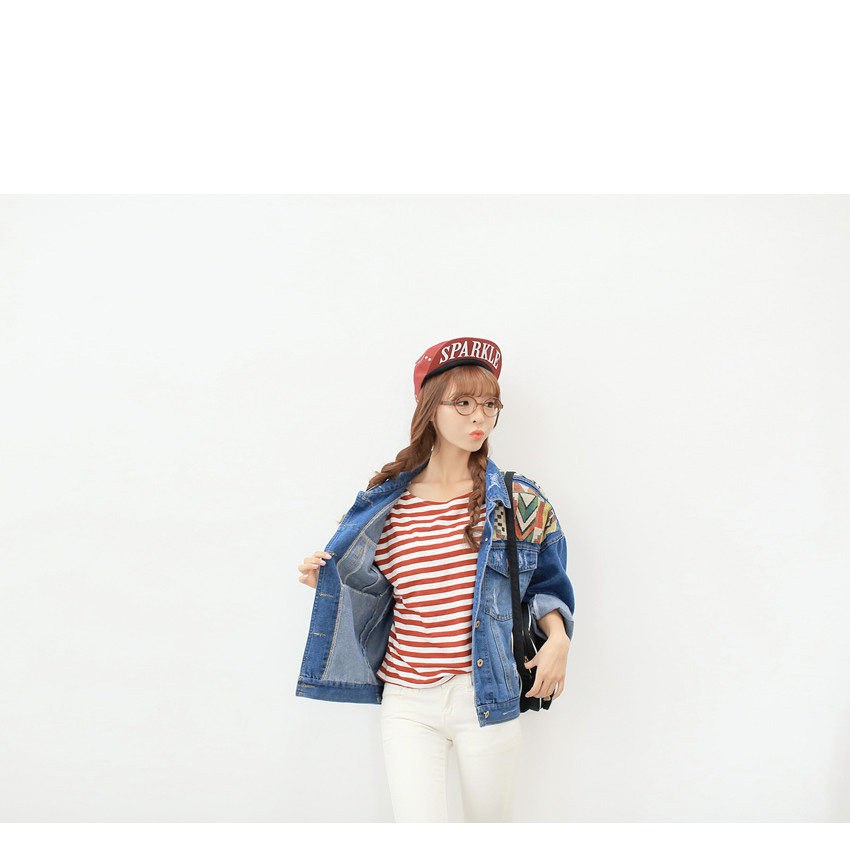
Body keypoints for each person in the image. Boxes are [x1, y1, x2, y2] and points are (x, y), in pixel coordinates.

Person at [295, 335, 575, 822]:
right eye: (462, 403)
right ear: (430, 409)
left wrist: (559, 640)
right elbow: (372, 589)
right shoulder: (386, 502)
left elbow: (546, 583)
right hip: (406, 699)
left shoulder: (517, 499)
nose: (478, 417)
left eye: (489, 405)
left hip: (484, 692)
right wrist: (326, 579)